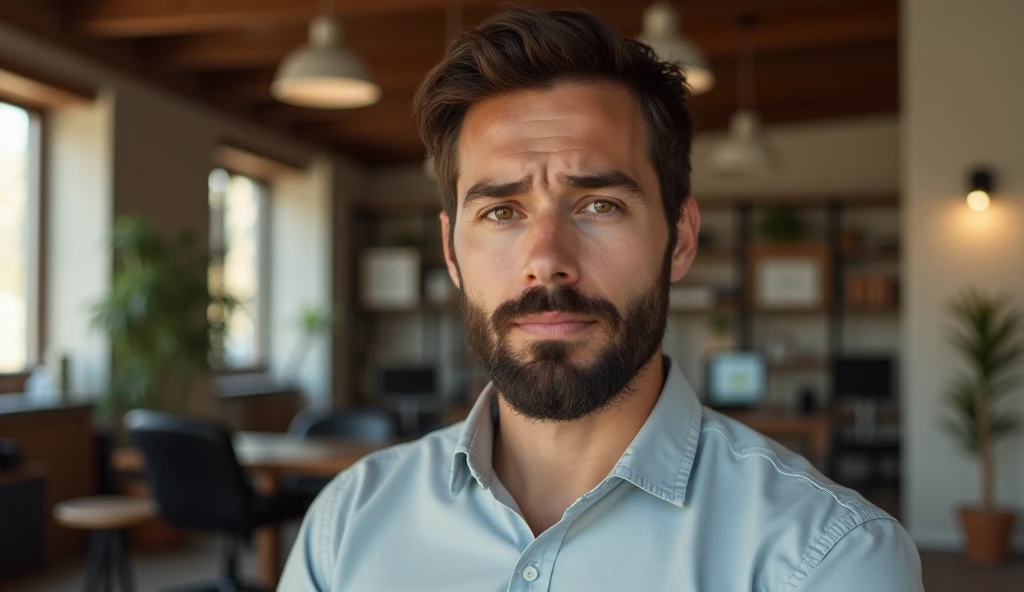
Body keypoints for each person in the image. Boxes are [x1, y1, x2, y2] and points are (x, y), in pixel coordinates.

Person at [279, 6, 923, 591]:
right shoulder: (346, 527)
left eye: (599, 204)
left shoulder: (829, 558)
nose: (547, 261)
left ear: (679, 239)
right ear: (451, 253)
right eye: (502, 211)